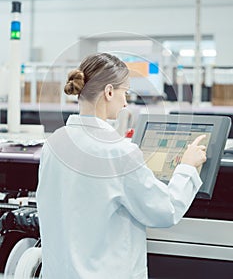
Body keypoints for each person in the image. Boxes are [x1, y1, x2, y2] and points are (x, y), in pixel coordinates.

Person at [36, 53, 206, 279]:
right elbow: (166, 211)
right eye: (124, 92)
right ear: (108, 92)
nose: (126, 102)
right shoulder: (118, 151)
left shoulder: (54, 142)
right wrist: (187, 167)